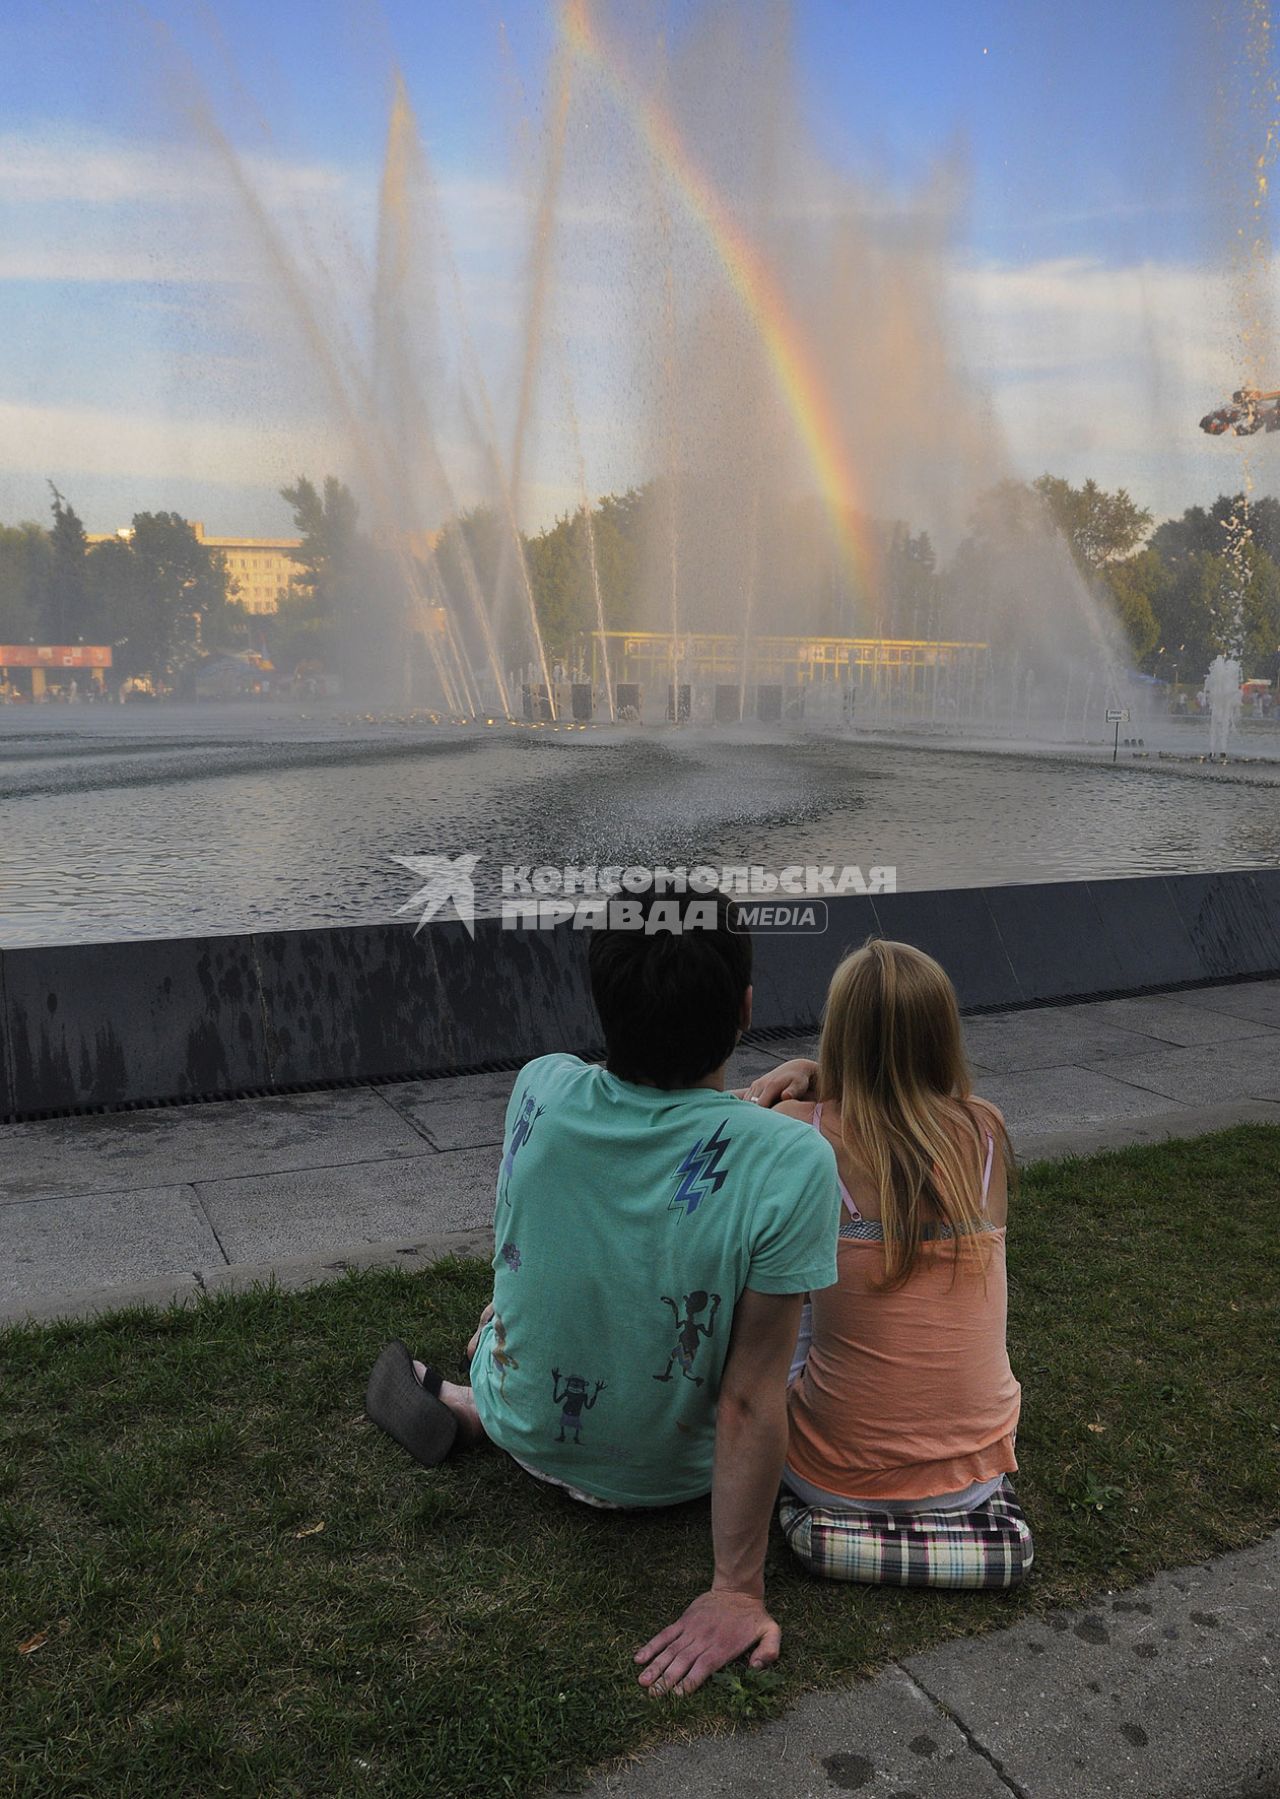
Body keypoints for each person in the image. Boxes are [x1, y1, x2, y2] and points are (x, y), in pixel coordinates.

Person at [366, 887, 840, 1694]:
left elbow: (657, 1122)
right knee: (792, 1319)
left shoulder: (541, 1085)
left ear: (601, 996)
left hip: (531, 1430)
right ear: (746, 1008)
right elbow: (751, 1402)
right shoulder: (792, 1162)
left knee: (521, 1296)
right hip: (672, 1471)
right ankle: (476, 1397)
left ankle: (469, 1401)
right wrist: (737, 1588)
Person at [743, 938, 1033, 1589]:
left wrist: (803, 1073)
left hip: (828, 1474)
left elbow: (717, 1123)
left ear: (840, 1034)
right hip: (975, 1474)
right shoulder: (987, 1130)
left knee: (781, 1292)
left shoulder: (800, 1128)